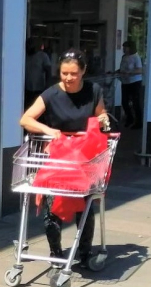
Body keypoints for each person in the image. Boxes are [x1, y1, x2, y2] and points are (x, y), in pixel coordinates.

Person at [19, 48, 109, 267]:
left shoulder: (93, 91)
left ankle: (85, 252)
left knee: (85, 204)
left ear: (83, 71)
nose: (68, 78)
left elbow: (101, 114)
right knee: (53, 203)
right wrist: (49, 131)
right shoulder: (51, 94)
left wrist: (103, 120)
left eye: (74, 74)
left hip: (84, 156)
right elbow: (26, 119)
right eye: (64, 73)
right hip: (58, 155)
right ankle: (56, 252)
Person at [118, 40, 144, 129]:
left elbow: (140, 70)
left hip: (135, 82)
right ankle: (130, 119)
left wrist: (129, 73)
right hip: (125, 82)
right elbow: (122, 68)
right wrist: (117, 72)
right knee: (124, 102)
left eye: (126, 47)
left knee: (136, 103)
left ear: (130, 48)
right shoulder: (124, 57)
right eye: (123, 47)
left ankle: (139, 122)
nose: (124, 49)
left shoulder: (136, 57)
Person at [24, 38, 52, 107]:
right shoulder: (24, 57)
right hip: (26, 89)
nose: (29, 46)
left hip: (39, 89)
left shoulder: (42, 56)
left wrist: (47, 85)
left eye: (31, 44)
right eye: (27, 45)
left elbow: (48, 71)